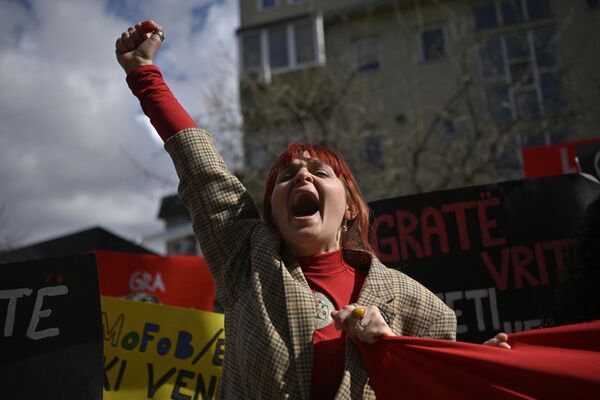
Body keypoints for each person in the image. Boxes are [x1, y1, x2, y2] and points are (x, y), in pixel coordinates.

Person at [116, 20, 457, 399]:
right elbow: (202, 169)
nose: (301, 179)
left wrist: (391, 348)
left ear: (349, 208)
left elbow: (446, 384)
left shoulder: (417, 304)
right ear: (273, 213)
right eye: (286, 176)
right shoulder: (245, 259)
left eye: (319, 172)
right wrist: (142, 72)